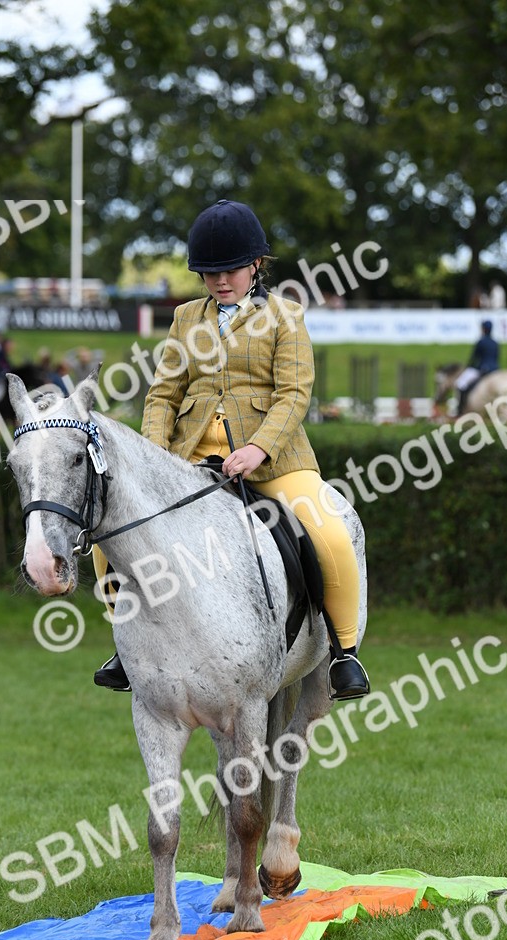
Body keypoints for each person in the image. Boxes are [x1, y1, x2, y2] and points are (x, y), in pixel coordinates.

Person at [92, 198, 370, 702]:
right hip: (188, 460)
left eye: (232, 270)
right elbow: (163, 394)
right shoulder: (184, 318)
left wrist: (260, 449)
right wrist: (155, 458)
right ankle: (125, 646)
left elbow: (293, 395)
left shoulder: (286, 316)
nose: (221, 282)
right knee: (106, 534)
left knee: (329, 530)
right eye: (210, 273)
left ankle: (344, 652)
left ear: (256, 265)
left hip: (273, 459)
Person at [455, 319, 500, 415]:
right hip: (495, 369)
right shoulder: (495, 343)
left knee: (461, 384)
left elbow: (475, 358)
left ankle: (460, 410)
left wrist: (468, 366)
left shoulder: (481, 342)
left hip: (483, 369)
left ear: (483, 329)